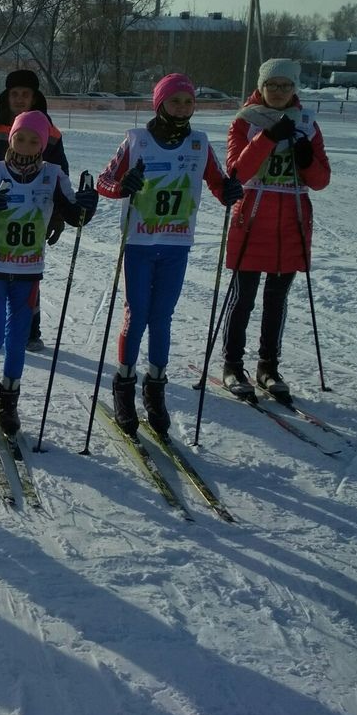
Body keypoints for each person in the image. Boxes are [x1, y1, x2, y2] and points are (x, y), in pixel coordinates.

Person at [96, 74, 243, 435]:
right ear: (159, 103)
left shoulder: (198, 143)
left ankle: (155, 387)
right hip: (140, 243)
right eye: (174, 101)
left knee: (162, 317)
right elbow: (104, 181)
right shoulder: (137, 140)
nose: (181, 108)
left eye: (187, 102)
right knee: (137, 314)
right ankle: (124, 384)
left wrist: (229, 192)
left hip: (177, 243)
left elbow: (217, 182)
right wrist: (122, 185)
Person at [0, 109, 97, 437]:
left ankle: (9, 398)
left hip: (27, 270)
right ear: (11, 138)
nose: (25, 145)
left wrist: (87, 205)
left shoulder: (52, 175)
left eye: (34, 140)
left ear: (43, 144)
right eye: (20, 138)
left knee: (18, 339)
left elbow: (73, 214)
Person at [219, 58, 330, 399]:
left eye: (286, 86)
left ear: (295, 88)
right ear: (261, 87)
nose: (279, 92)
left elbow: (321, 180)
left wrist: (306, 159)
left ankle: (268, 365)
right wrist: (267, 138)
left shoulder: (307, 124)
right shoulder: (245, 122)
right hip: (252, 220)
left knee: (276, 301)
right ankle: (232, 365)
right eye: (273, 85)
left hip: (291, 222)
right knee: (243, 299)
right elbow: (237, 171)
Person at [0, 69, 69, 351]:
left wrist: (58, 216)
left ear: (35, 97)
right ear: (6, 96)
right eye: (15, 94)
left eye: (26, 94)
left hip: (32, 217)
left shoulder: (50, 134)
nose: (20, 99)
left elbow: (60, 178)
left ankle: (29, 331)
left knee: (28, 274)